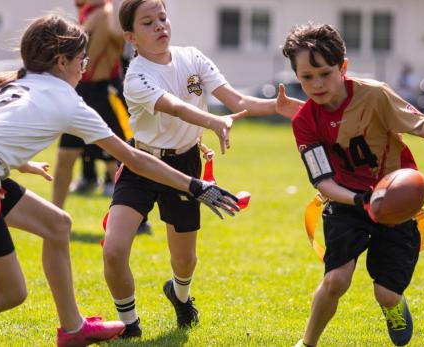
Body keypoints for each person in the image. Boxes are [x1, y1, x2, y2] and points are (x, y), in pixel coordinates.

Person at [0, 14, 240, 347]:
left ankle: (72, 329)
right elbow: (133, 158)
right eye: (82, 62)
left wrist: (21, 164)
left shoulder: (18, 82)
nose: (83, 71)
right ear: (62, 62)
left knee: (58, 224)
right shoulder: (68, 100)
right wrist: (195, 186)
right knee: (10, 292)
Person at [105, 0, 303, 339]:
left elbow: (237, 101)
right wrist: (212, 120)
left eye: (163, 18)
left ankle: (180, 296)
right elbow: (176, 107)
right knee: (114, 249)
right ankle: (130, 325)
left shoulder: (192, 57)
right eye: (148, 22)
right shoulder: (136, 76)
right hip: (143, 163)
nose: (160, 27)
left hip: (184, 162)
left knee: (185, 261)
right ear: (131, 37)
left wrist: (277, 106)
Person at [281, 24, 424, 347]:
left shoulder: (374, 95)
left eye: (325, 73)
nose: (316, 84)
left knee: (385, 293)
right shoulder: (305, 121)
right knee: (335, 280)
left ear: (342, 67)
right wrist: (361, 200)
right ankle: (306, 343)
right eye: (307, 77)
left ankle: (395, 306)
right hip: (349, 202)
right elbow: (324, 182)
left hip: (395, 204)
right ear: (296, 75)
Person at [52, 0, 131, 206]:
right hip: (80, 94)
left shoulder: (108, 12)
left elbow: (117, 33)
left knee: (117, 159)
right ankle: (54, 216)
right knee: (64, 157)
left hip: (103, 93)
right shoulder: (87, 12)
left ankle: (138, 221)